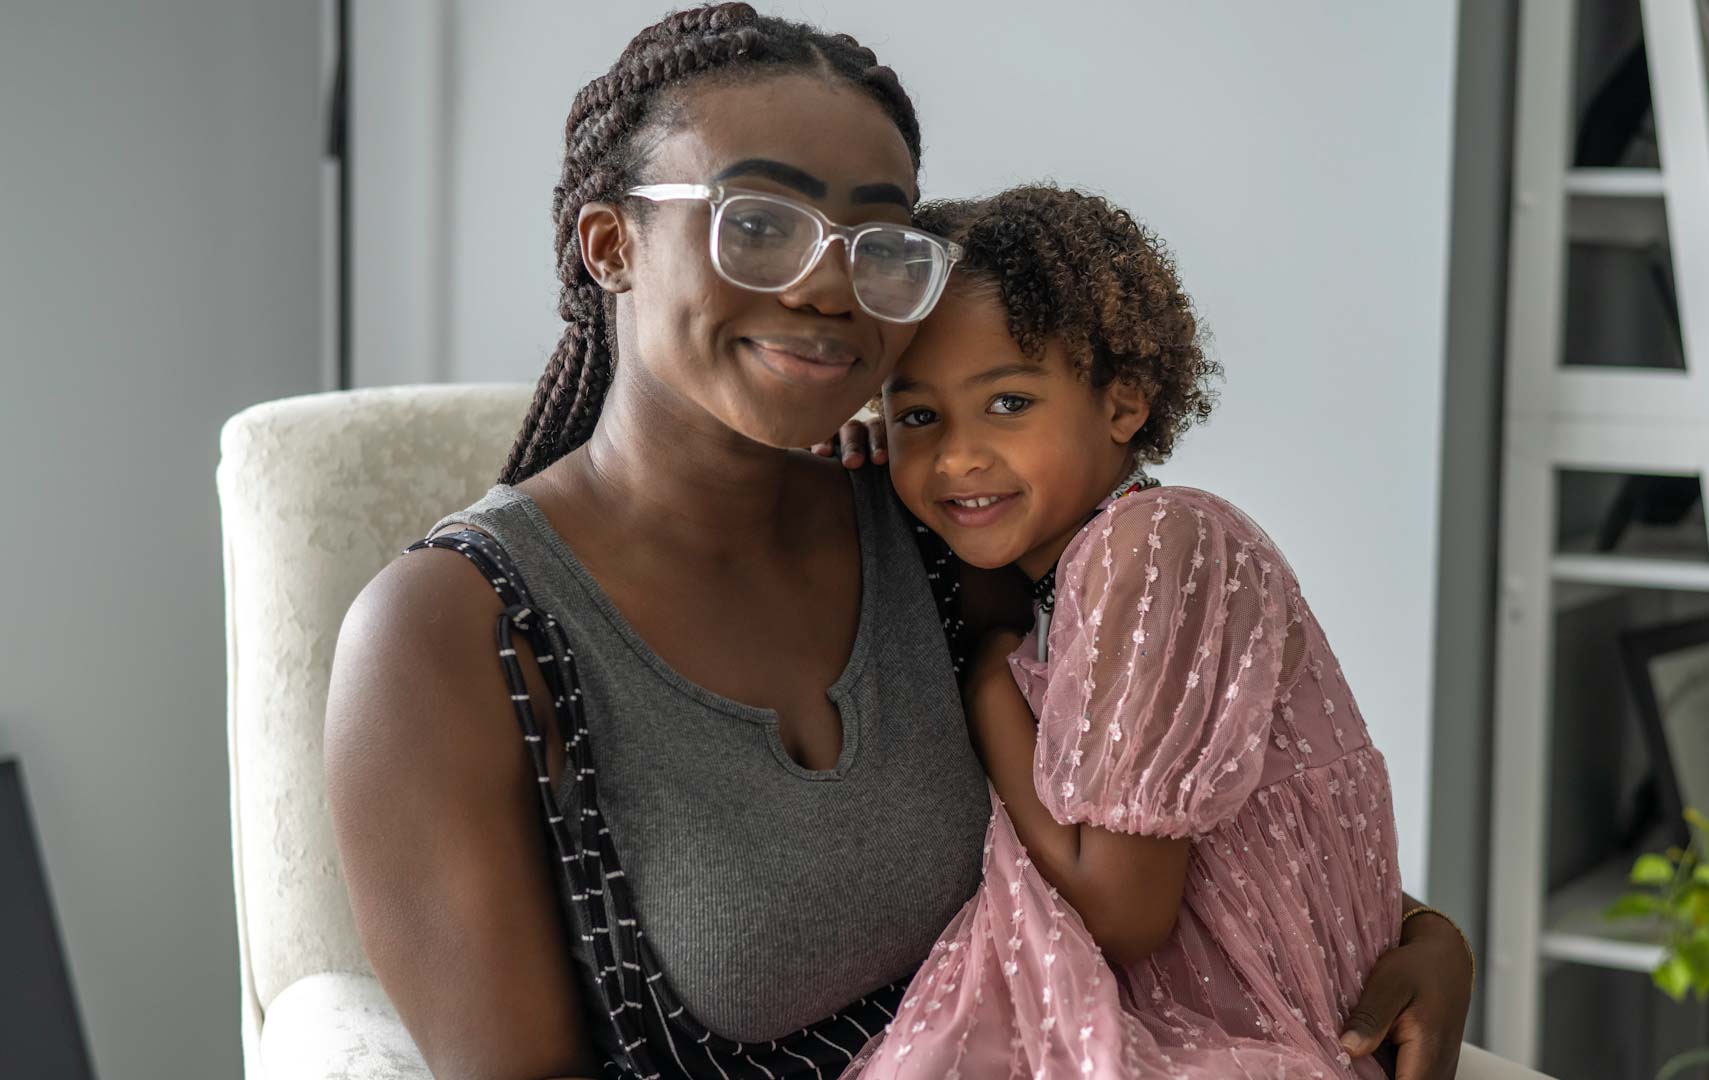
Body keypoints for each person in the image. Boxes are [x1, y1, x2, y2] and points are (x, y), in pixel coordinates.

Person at [323, 6, 1474, 1078]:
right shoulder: (455, 636)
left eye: (878, 241)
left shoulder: (937, 528)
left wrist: (1421, 932)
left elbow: (1149, 806)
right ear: (612, 245)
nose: (833, 287)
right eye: (760, 224)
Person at [841, 186, 1444, 1078]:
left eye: (1008, 402)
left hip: (1250, 1034)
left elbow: (1120, 912)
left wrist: (985, 684)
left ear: (1124, 404)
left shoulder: (1154, 543)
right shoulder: (1065, 573)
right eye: (919, 416)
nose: (957, 455)